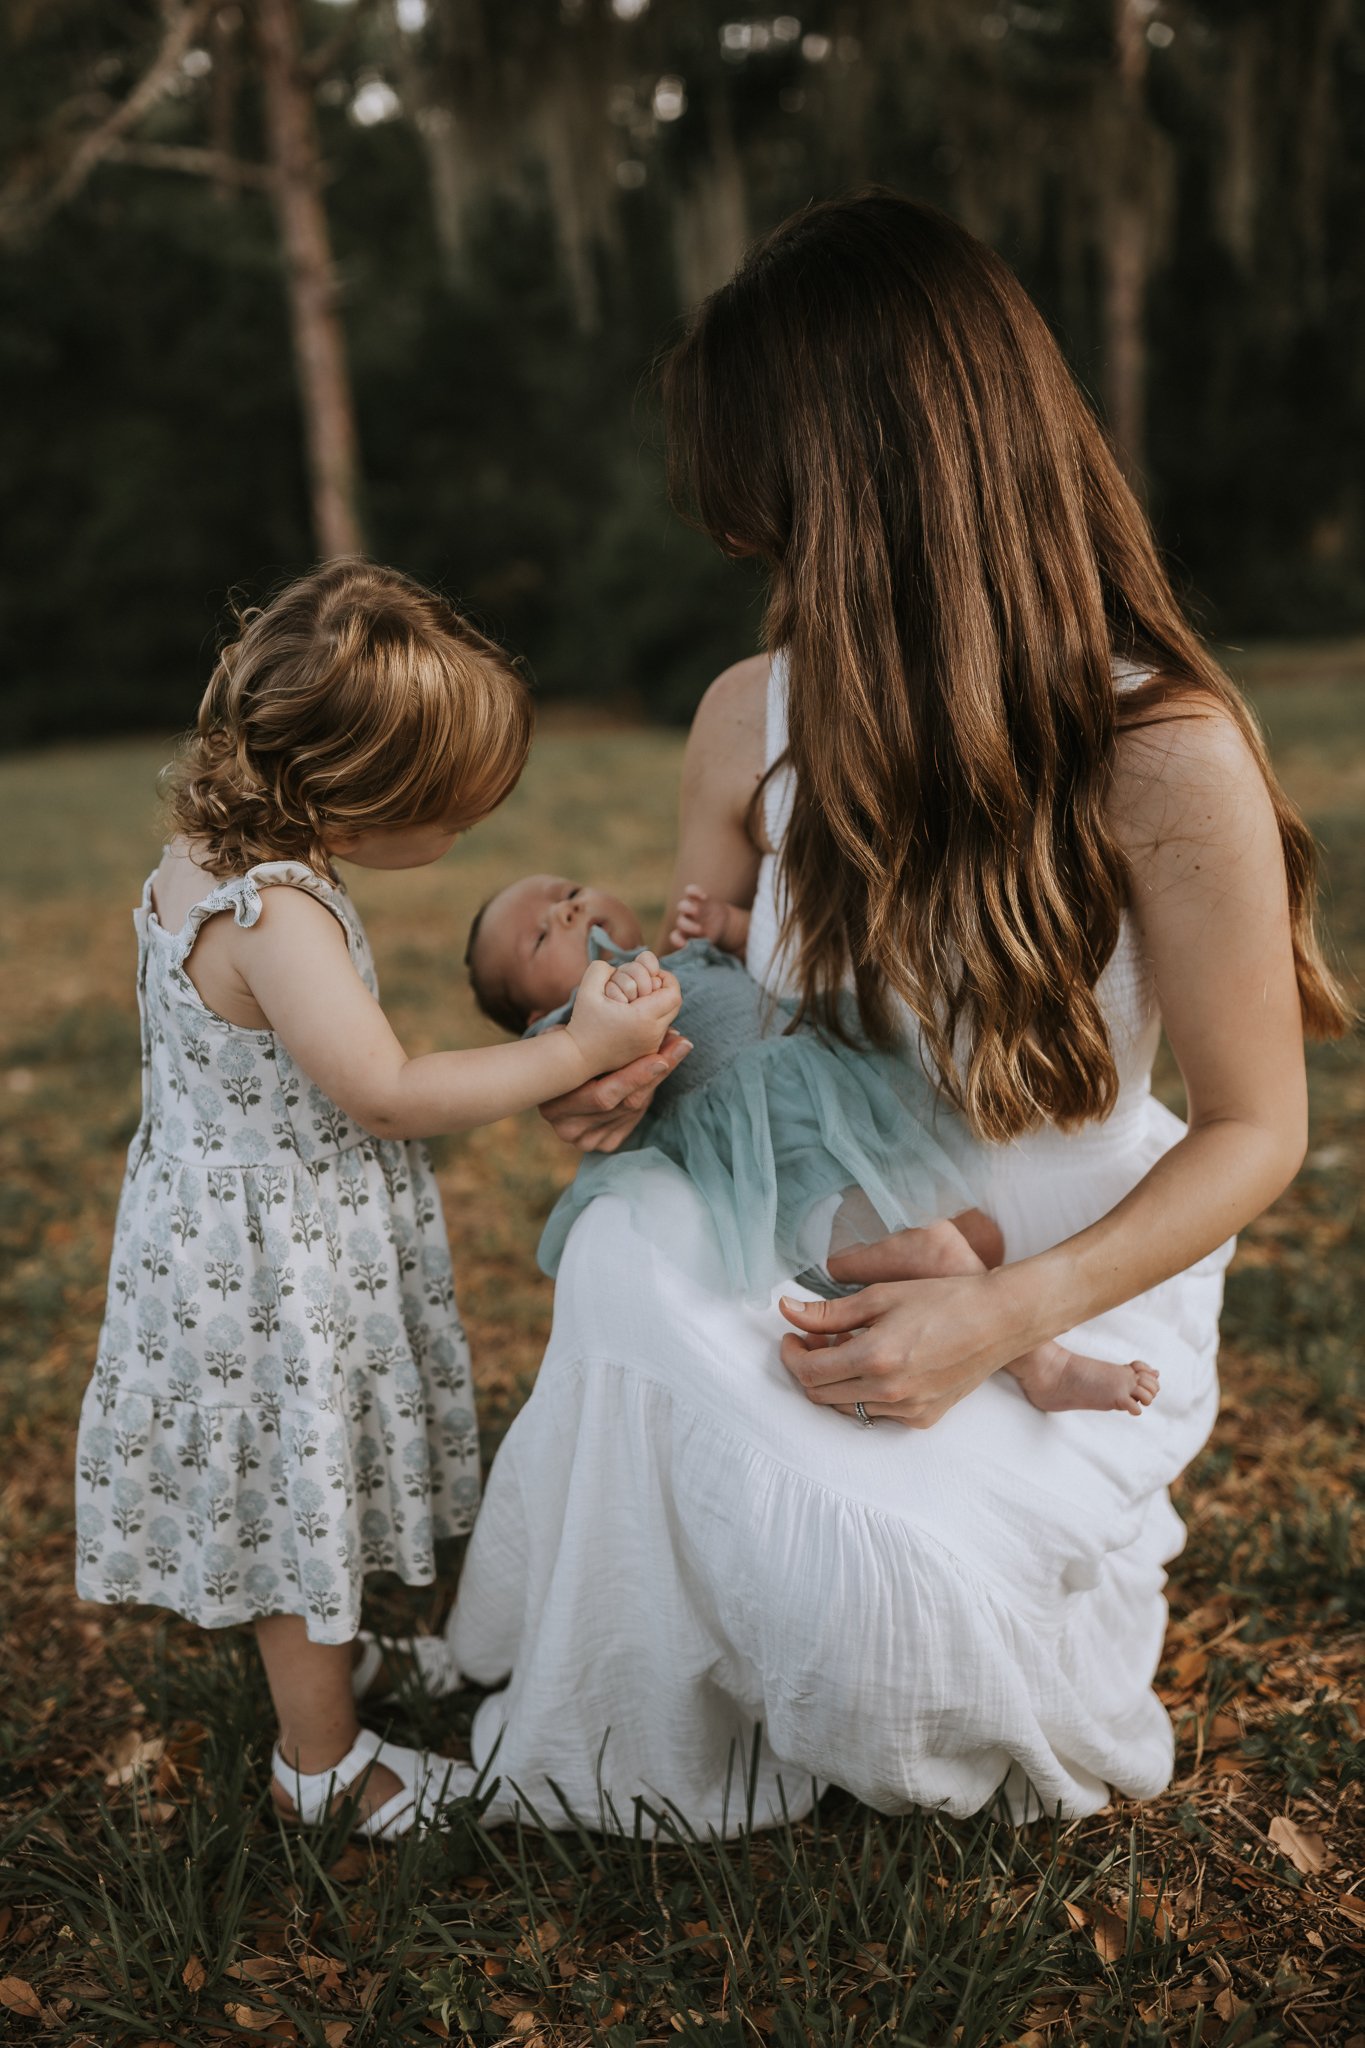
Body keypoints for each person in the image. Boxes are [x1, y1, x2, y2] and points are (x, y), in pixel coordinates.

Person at [446, 193, 1347, 1833]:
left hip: (1062, 1302)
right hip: (800, 1247)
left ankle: (956, 1548)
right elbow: (709, 1006)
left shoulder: (1165, 753)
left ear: (873, 500)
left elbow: (1256, 1126)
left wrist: (1012, 1316)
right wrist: (623, 1073)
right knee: (629, 1260)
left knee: (897, 1640)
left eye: (777, 517)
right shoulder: (742, 722)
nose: (757, 558)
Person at [73, 562, 680, 1841]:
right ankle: (326, 1765)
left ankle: (331, 1669)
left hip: (226, 1238)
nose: (461, 837)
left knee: (311, 1479)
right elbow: (389, 1089)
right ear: (361, 792)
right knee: (301, 1499)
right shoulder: (277, 909)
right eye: (449, 812)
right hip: (270, 1268)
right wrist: (574, 1053)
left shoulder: (208, 855)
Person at [465, 871, 1159, 1415]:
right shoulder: (570, 1028)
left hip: (841, 1104)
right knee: (929, 1248)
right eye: (539, 937)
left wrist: (727, 925)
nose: (566, 912)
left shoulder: (682, 955)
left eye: (570, 893)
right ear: (533, 1014)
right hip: (786, 1158)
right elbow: (581, 1066)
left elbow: (753, 947)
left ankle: (946, 1300)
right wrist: (600, 1017)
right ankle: (1047, 1368)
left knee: (967, 1233)